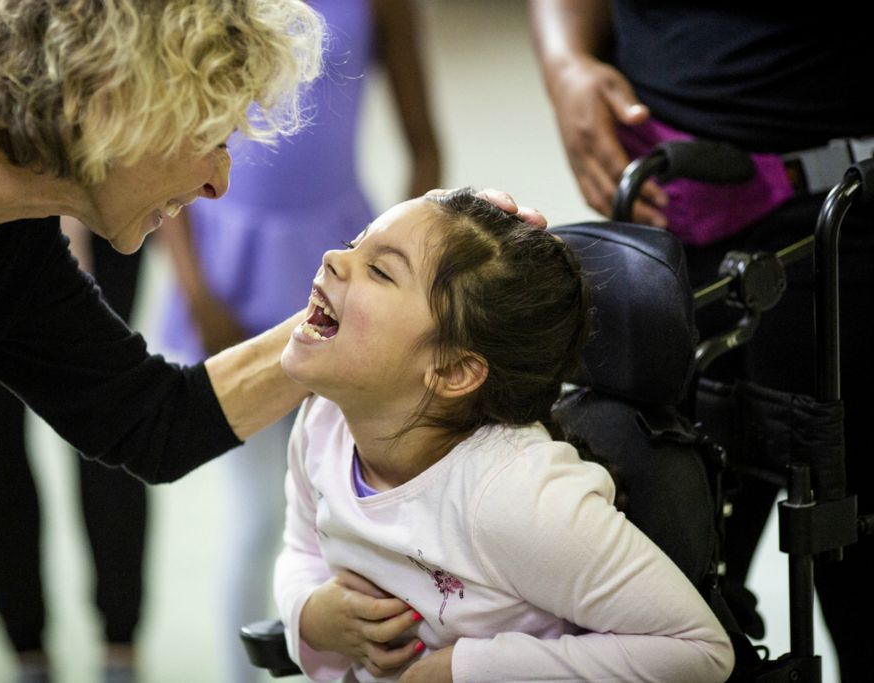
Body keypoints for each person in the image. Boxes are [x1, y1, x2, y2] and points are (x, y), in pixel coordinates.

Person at [0, 0, 325, 500]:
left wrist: (341, 318)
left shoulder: (10, 237)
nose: (218, 183)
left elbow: (151, 422)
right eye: (211, 136)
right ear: (119, 95)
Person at [527, 2, 874, 680]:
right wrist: (564, 61)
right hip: (657, 231)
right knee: (650, 597)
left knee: (859, 581)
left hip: (843, 216)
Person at [272, 188, 735, 682]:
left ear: (452, 370)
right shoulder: (324, 423)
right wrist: (309, 612)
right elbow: (301, 548)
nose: (333, 258)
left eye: (380, 270)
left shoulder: (517, 497)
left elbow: (698, 650)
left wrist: (466, 670)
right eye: (353, 244)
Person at [156, 1, 441, 681]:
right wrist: (198, 293)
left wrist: (410, 279)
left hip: (346, 275)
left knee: (354, 515)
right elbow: (164, 139)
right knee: (262, 516)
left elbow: (424, 144)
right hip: (227, 276)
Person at [0, 217, 149, 683]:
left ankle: (119, 652)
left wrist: (67, 225)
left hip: (93, 190)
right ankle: (28, 655)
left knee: (106, 414)